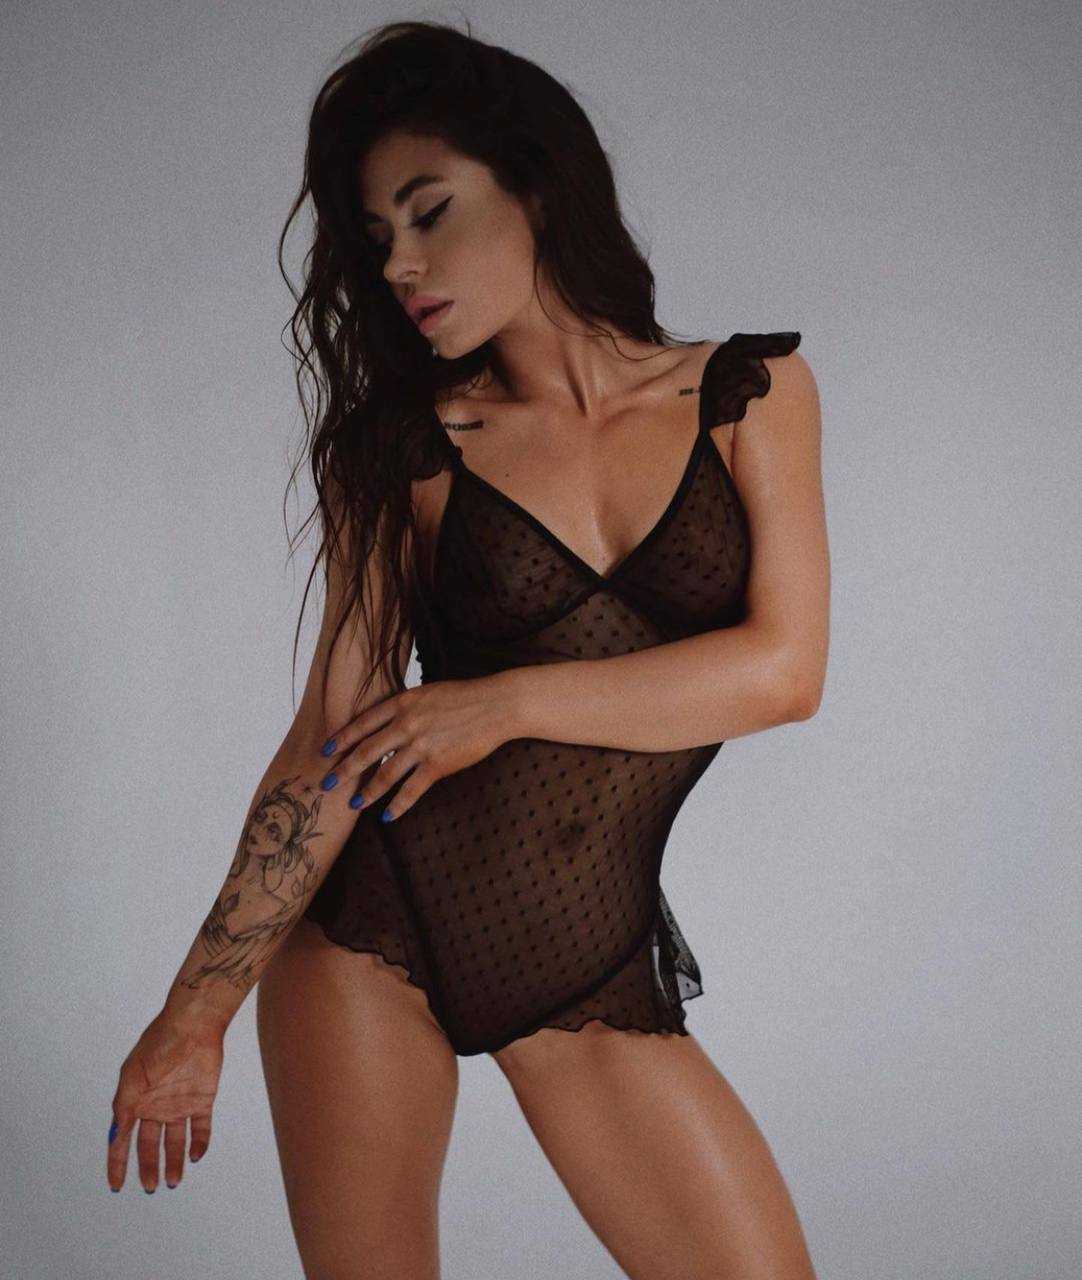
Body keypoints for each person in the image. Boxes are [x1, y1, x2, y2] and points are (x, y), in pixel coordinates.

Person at [107, 19, 828, 1280]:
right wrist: (195, 1008)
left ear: (535, 185)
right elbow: (332, 738)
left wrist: (498, 702)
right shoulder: (405, 451)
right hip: (369, 934)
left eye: (429, 213)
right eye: (375, 235)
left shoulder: (743, 395)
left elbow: (782, 671)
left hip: (582, 958)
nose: (399, 262)